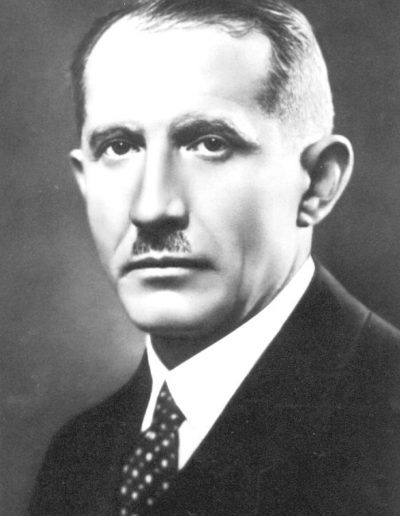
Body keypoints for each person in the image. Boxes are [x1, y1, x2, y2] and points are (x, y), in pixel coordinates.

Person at [29, 0, 400, 514]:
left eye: (209, 143)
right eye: (118, 147)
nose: (151, 208)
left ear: (317, 183)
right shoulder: (78, 455)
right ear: (84, 180)